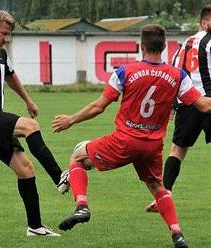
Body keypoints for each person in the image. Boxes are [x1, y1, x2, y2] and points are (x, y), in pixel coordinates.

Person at [52, 24, 211, 248]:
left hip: (124, 141)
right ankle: (177, 234)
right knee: (158, 188)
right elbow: (204, 105)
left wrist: (71, 119)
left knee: (78, 155)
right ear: (164, 46)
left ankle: (81, 206)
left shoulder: (125, 71)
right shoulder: (178, 75)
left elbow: (98, 107)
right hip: (153, 145)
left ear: (141, 46)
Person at [0, 10, 69, 236]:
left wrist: (28, 100)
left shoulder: (0, 52)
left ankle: (35, 227)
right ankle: (59, 177)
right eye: (4, 33)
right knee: (30, 126)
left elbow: (10, 75)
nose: (6, 38)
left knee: (25, 169)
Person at [145, 5, 211, 213]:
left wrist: (175, 103)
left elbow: (176, 71)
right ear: (204, 22)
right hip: (208, 101)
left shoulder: (184, 44)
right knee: (178, 150)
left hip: (187, 102)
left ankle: (164, 196)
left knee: (178, 151)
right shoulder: (209, 41)